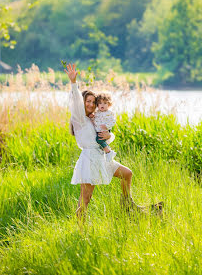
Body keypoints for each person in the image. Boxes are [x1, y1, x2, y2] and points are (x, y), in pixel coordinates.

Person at [65, 63, 161, 221]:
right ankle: (81, 232)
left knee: (127, 174)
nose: (90, 104)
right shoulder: (79, 118)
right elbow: (75, 101)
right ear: (82, 102)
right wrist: (74, 83)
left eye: (93, 102)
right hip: (90, 160)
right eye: (87, 101)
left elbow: (105, 135)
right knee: (85, 200)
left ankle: (127, 206)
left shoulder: (93, 119)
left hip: (101, 157)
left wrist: (109, 136)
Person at [88, 92, 117, 162]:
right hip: (98, 130)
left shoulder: (110, 113)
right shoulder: (97, 112)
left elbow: (113, 121)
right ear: (97, 104)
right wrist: (92, 118)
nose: (102, 105)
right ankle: (106, 151)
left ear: (109, 104)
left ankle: (109, 152)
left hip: (105, 130)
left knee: (99, 140)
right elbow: (95, 121)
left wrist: (106, 126)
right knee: (99, 141)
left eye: (105, 103)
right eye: (100, 103)